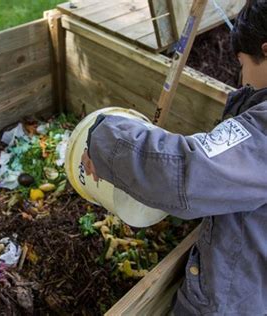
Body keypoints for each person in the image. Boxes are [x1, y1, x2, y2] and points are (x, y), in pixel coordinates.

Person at [82, 1, 267, 314]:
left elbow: (187, 172)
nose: (241, 79)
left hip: (234, 299)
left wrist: (104, 136)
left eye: (243, 64)